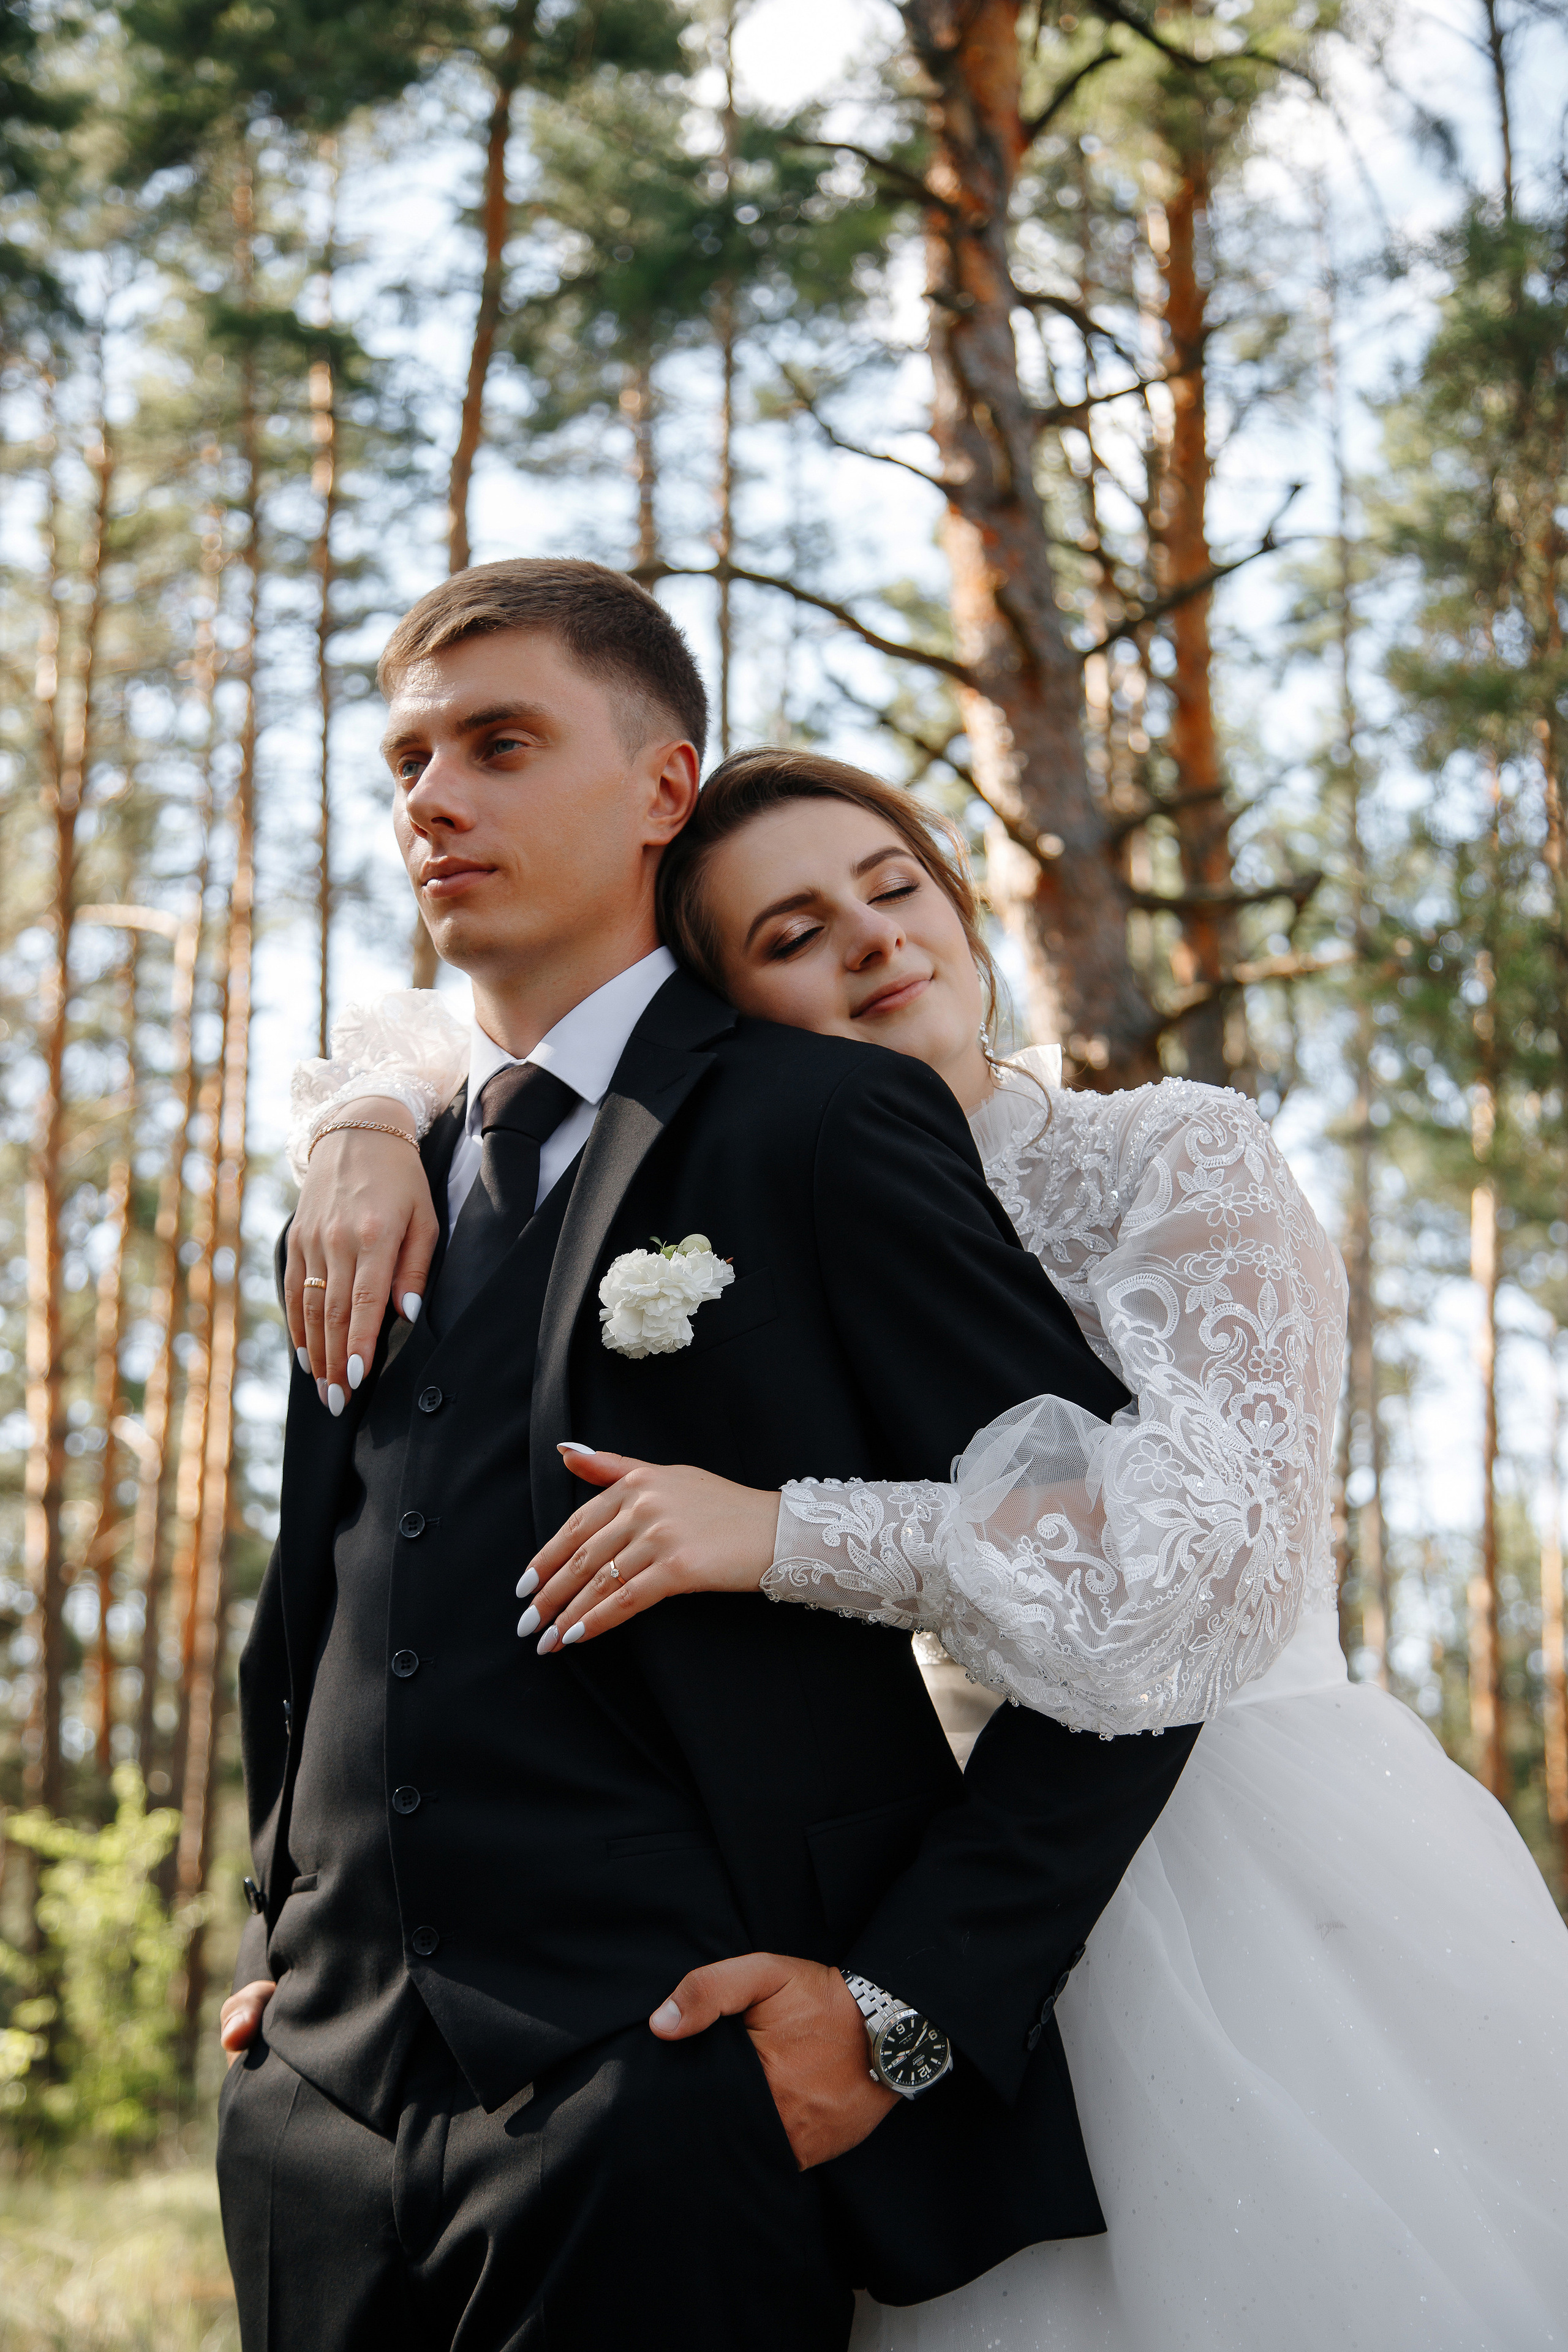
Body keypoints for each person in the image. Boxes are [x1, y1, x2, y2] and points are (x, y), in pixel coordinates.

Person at [284, 744, 1568, 2347]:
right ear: (728, 1012)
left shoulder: (1170, 1153)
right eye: (795, 932)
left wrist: (782, 1533)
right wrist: (364, 1120)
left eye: (897, 889)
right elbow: (466, 1040)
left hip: (1248, 1852)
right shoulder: (769, 1181)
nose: (878, 940)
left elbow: (1206, 1569)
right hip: (914, 1870)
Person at [216, 560, 1202, 2352]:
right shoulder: (374, 1176)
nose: (433, 799)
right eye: (408, 761)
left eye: (501, 745)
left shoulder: (824, 1127)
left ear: (666, 790)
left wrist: (903, 2011)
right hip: (316, 2112)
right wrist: (283, 1934)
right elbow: (319, 1594)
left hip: (669, 2095)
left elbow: (1128, 1591)